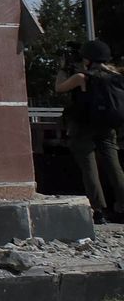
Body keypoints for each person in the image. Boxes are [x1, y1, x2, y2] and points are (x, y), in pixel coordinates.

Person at [55, 39, 124, 224]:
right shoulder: (116, 75)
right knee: (114, 167)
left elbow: (59, 88)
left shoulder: (82, 77)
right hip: (108, 127)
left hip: (84, 126)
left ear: (88, 58)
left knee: (89, 168)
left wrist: (63, 68)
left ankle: (98, 210)